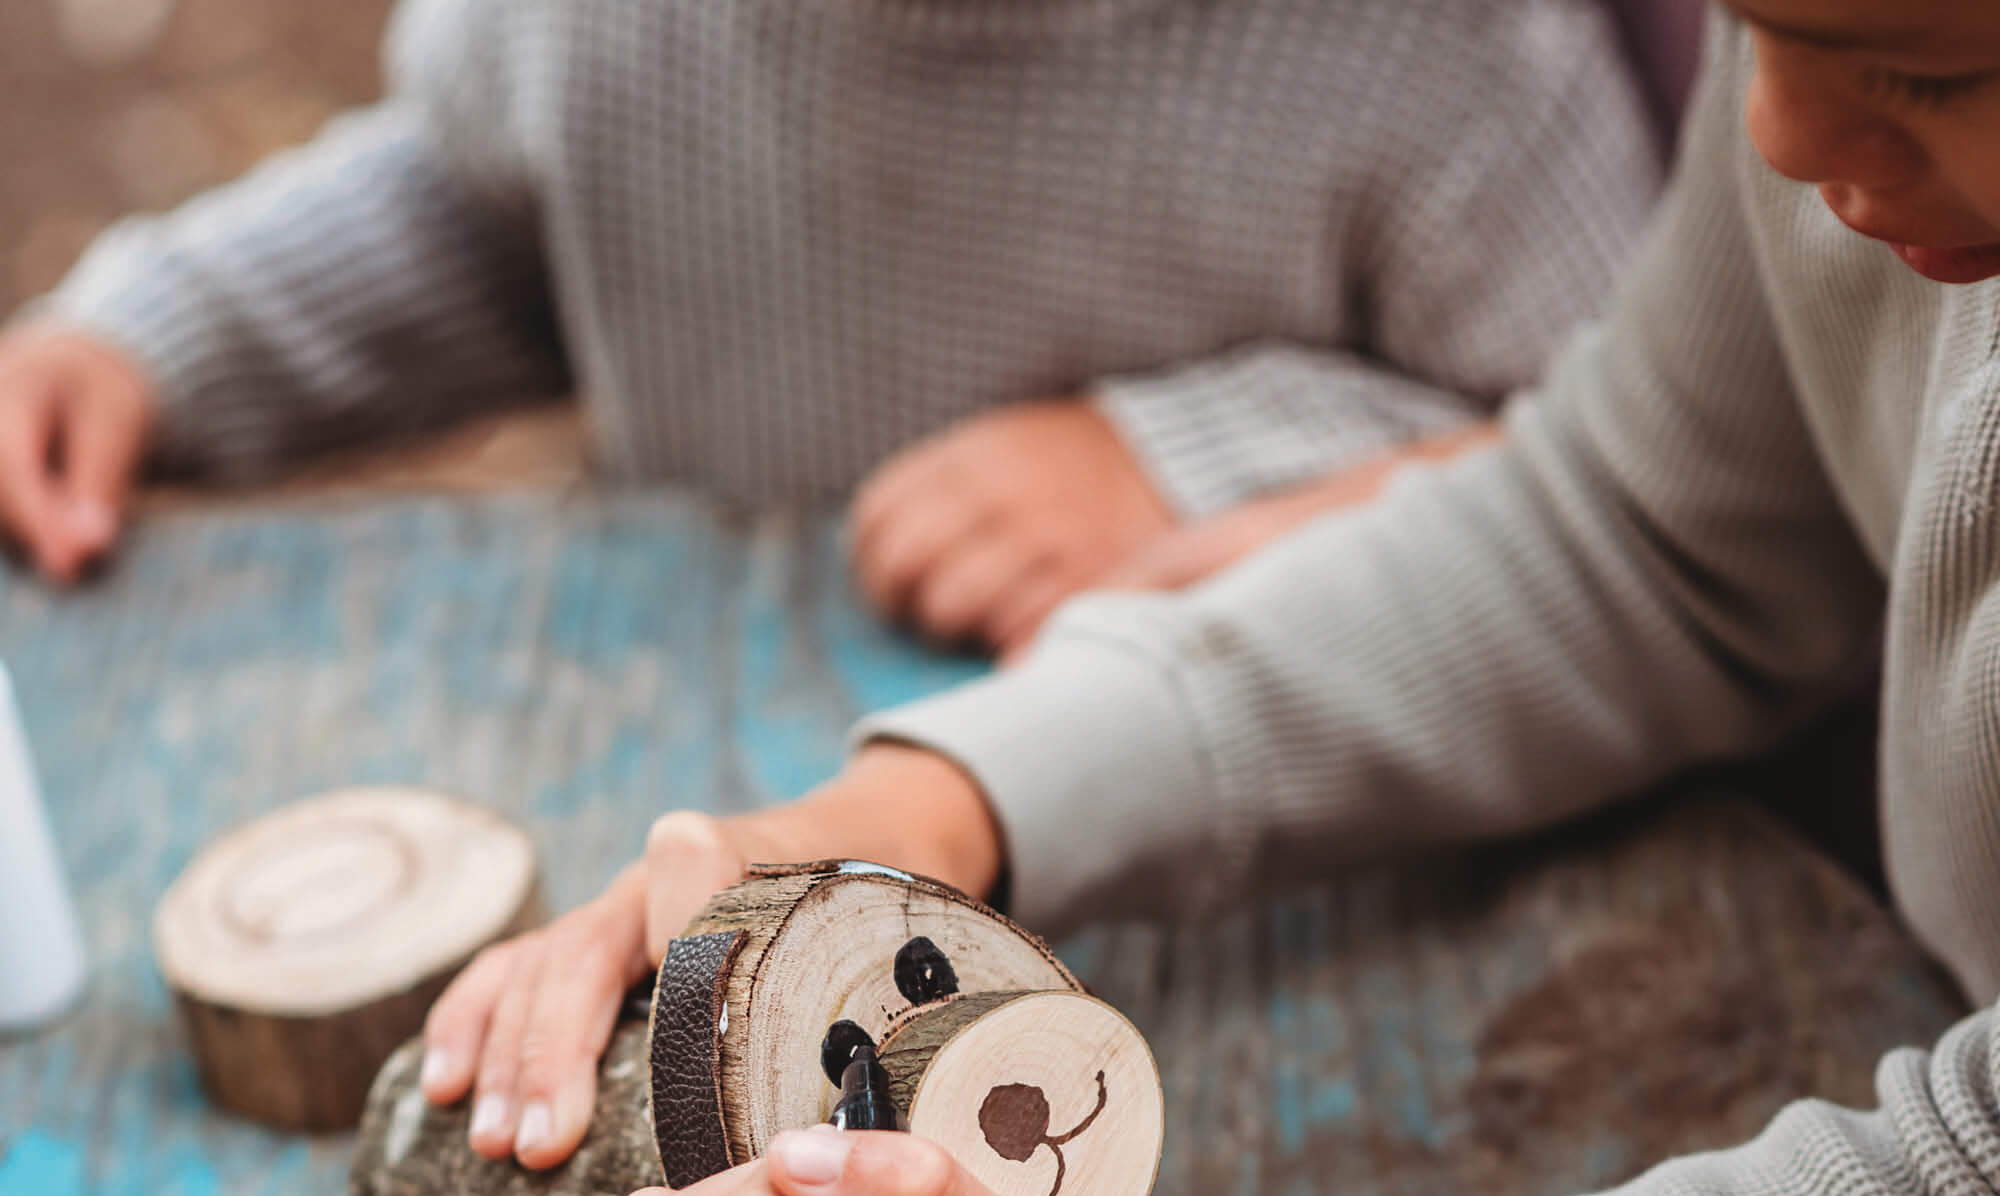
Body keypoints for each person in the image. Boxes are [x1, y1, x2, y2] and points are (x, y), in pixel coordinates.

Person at [455, 0, 2000, 1196]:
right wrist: (934, 805)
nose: (1783, 136)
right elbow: (1641, 530)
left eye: (1930, 73)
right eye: (1753, 22)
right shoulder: (1856, 165)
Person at [0, 0, 1658, 660]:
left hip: (1256, 834)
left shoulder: (1441, 43)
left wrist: (1195, 467)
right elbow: (504, 214)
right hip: (715, 751)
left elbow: (1634, 454)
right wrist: (165, 340)